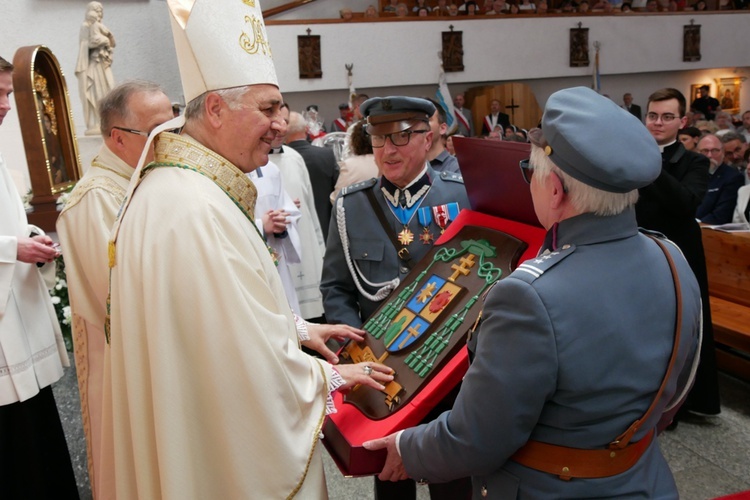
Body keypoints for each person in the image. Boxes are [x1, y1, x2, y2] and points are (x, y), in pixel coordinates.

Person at [99, 2, 392, 497]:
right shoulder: (193, 208)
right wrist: (334, 375)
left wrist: (298, 328)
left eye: (281, 109)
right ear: (215, 109)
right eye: (268, 108)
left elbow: (216, 321)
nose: (282, 123)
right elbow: (242, 363)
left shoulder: (181, 190)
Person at [364, 86, 701, 498]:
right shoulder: (671, 257)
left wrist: (405, 447)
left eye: (530, 173)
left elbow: (477, 440)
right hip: (643, 479)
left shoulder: (529, 295)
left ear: (555, 190)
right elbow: (675, 392)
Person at [321, 96, 472, 500]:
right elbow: (335, 287)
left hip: (449, 374)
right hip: (383, 373)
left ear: (430, 138)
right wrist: (353, 352)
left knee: (454, 482)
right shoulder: (351, 207)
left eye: (402, 137)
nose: (389, 150)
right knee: (390, 481)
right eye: (379, 137)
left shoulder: (463, 200)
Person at [56, 80, 173, 499]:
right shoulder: (94, 200)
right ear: (119, 138)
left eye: (173, 128)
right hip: (123, 364)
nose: (170, 141)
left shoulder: (145, 178)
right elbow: (118, 299)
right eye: (158, 132)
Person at [0, 54, 79, 500]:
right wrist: (14, 248)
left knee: (33, 421)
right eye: (0, 93)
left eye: (9, 93)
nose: (7, 104)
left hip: (17, 312)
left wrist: (31, 238)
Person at [637, 87, 720, 420]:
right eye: (653, 115)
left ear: (682, 121)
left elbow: (686, 203)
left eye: (667, 117)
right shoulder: (633, 157)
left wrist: (650, 165)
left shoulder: (694, 161)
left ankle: (683, 402)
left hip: (678, 253)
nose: (658, 123)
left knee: (681, 328)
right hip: (639, 250)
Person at [270, 104, 327, 322]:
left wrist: (320, 250)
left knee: (312, 318)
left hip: (305, 247)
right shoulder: (249, 163)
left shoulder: (294, 157)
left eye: (284, 121)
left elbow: (310, 207)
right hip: (276, 249)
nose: (280, 128)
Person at [286, 110, 339, 243]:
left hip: (295, 232)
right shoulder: (327, 155)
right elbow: (338, 192)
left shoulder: (278, 162)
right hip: (327, 227)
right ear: (306, 129)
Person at [75, 1, 116, 135]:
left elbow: (112, 42)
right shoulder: (86, 26)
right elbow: (86, 43)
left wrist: (107, 39)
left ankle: (110, 121)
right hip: (93, 65)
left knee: (109, 90)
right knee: (97, 93)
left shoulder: (101, 27)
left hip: (103, 65)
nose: (98, 14)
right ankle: (97, 123)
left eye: (100, 11)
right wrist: (103, 40)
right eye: (96, 11)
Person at [695, 134, 744, 224]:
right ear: (697, 152)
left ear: (723, 152)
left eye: (715, 151)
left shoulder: (732, 177)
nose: (710, 155)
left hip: (709, 229)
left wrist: (694, 225)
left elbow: (721, 215)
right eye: (705, 151)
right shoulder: (691, 174)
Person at [425, 97, 461, 174]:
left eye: (427, 119)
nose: (419, 125)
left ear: (442, 128)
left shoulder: (457, 169)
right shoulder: (408, 168)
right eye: (415, 121)